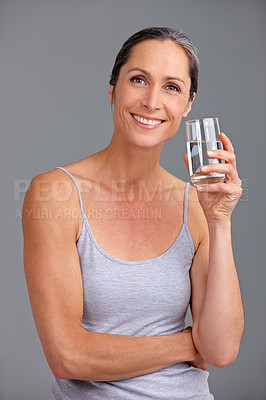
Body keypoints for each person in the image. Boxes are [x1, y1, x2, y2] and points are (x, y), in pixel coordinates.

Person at [22, 27, 244, 400]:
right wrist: (190, 344)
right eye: (139, 79)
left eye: (172, 87)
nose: (152, 101)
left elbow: (220, 349)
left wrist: (220, 221)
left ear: (188, 104)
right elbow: (67, 355)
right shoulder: (55, 194)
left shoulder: (196, 205)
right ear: (113, 88)